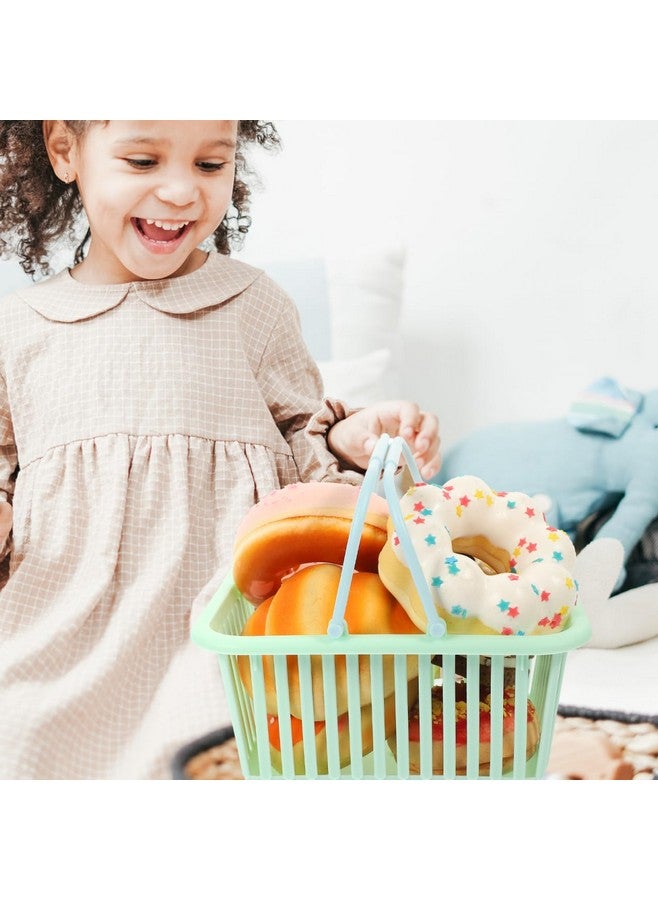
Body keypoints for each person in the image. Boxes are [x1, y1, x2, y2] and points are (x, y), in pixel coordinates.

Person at [0, 120, 440, 779]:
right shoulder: (20, 328)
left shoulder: (252, 305)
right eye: (144, 160)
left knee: (220, 736)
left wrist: (349, 444)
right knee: (20, 733)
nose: (181, 191)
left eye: (210, 165)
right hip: (59, 624)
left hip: (220, 616)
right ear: (65, 151)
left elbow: (304, 453)